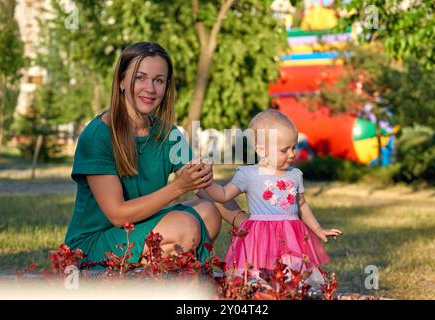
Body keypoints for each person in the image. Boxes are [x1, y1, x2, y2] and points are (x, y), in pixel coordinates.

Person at [64, 42, 247, 266]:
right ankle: (142, 279)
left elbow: (207, 189)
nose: (150, 89)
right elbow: (118, 215)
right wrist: (179, 187)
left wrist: (246, 223)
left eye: (158, 80)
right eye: (140, 78)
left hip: (138, 228)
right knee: (185, 227)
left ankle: (150, 273)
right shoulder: (98, 136)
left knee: (209, 212)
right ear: (121, 81)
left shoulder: (167, 133)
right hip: (94, 243)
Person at [204, 109, 342, 281]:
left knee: (293, 278)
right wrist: (207, 182)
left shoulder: (295, 174)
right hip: (259, 238)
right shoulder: (249, 174)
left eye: (294, 147)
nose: (292, 154)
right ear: (261, 150)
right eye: (285, 150)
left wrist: (318, 229)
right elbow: (224, 194)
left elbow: (302, 205)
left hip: (291, 236)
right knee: (259, 277)